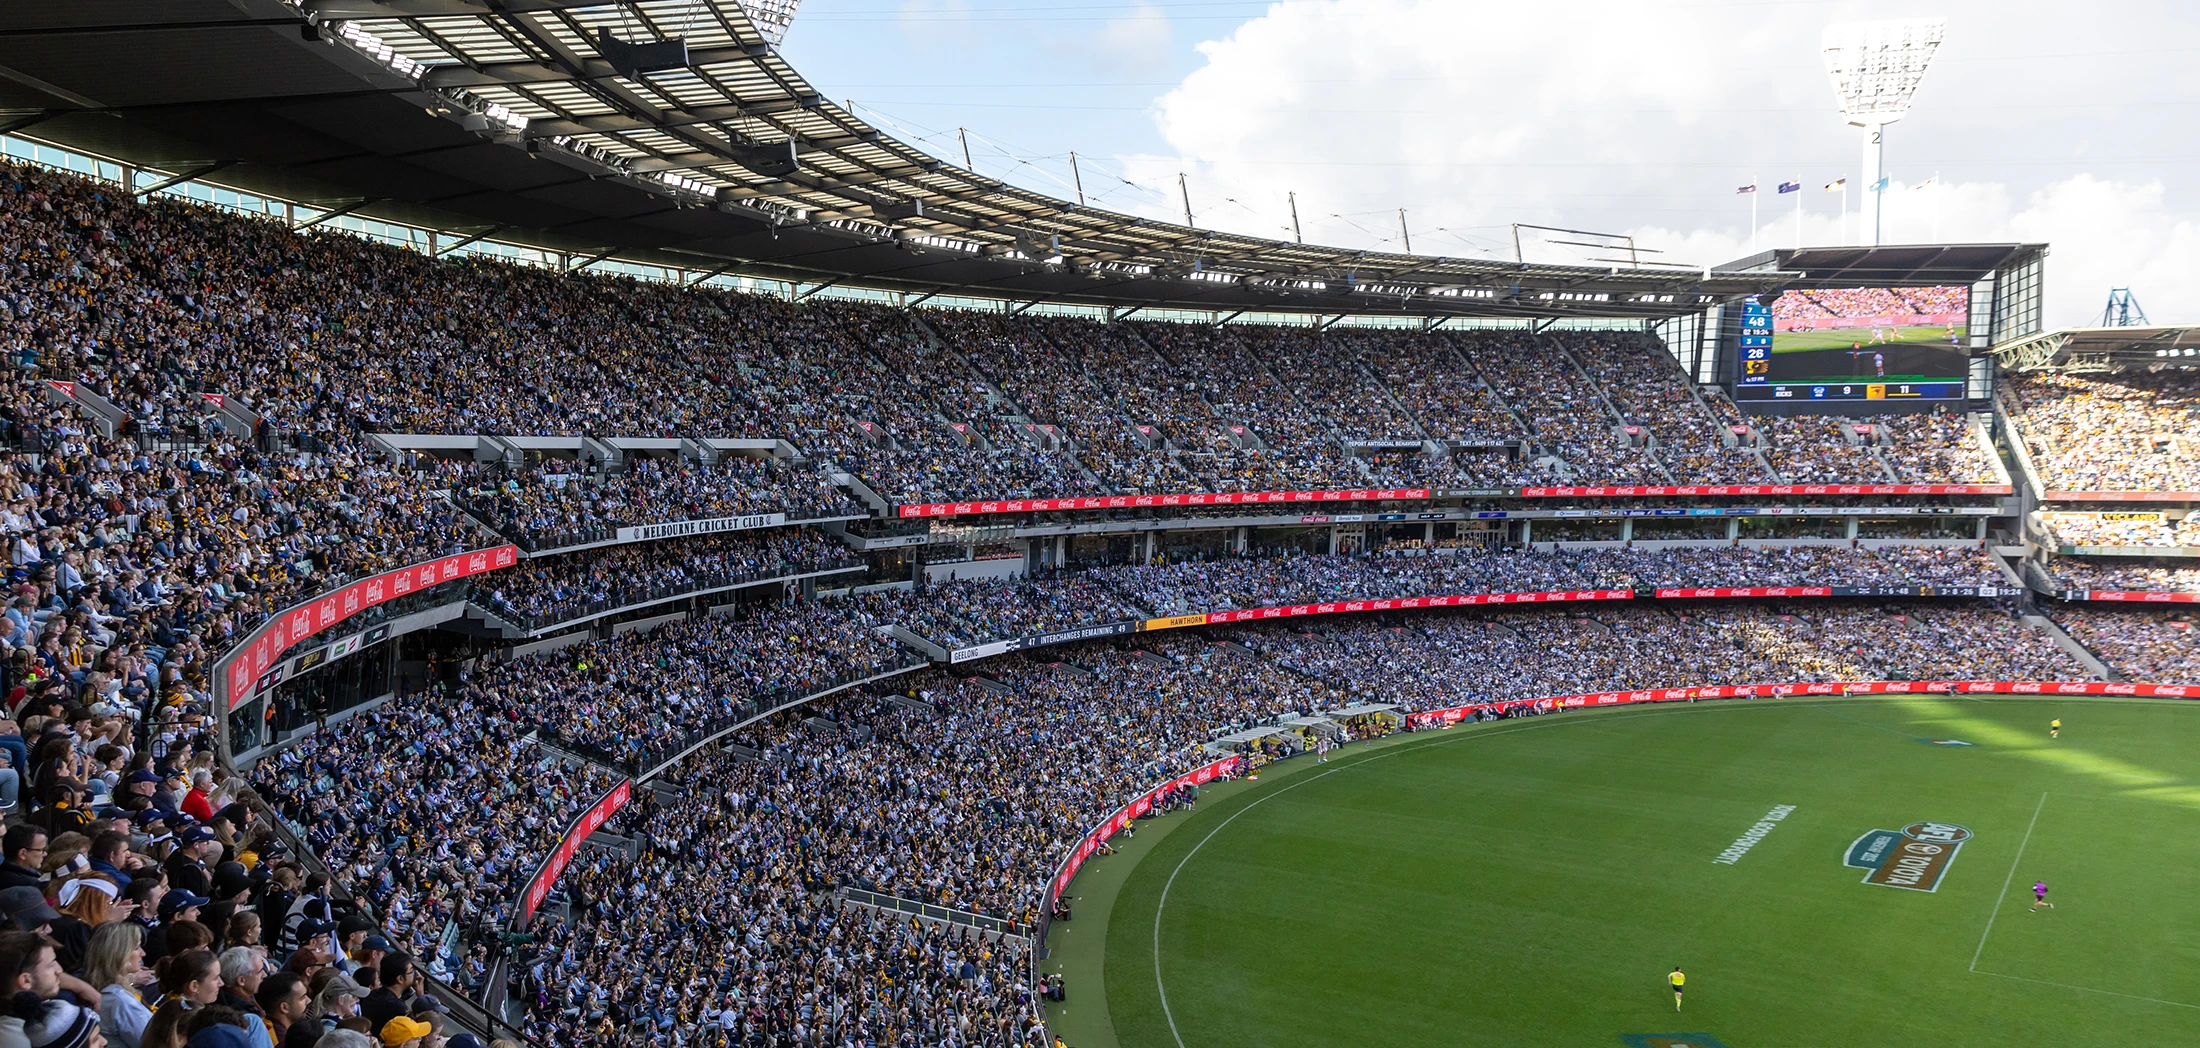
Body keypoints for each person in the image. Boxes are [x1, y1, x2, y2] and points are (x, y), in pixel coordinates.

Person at [85, 921, 153, 1048]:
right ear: (120, 954)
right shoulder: (119, 1000)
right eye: (136, 948)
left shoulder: (100, 989)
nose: (143, 953)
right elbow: (155, 1043)